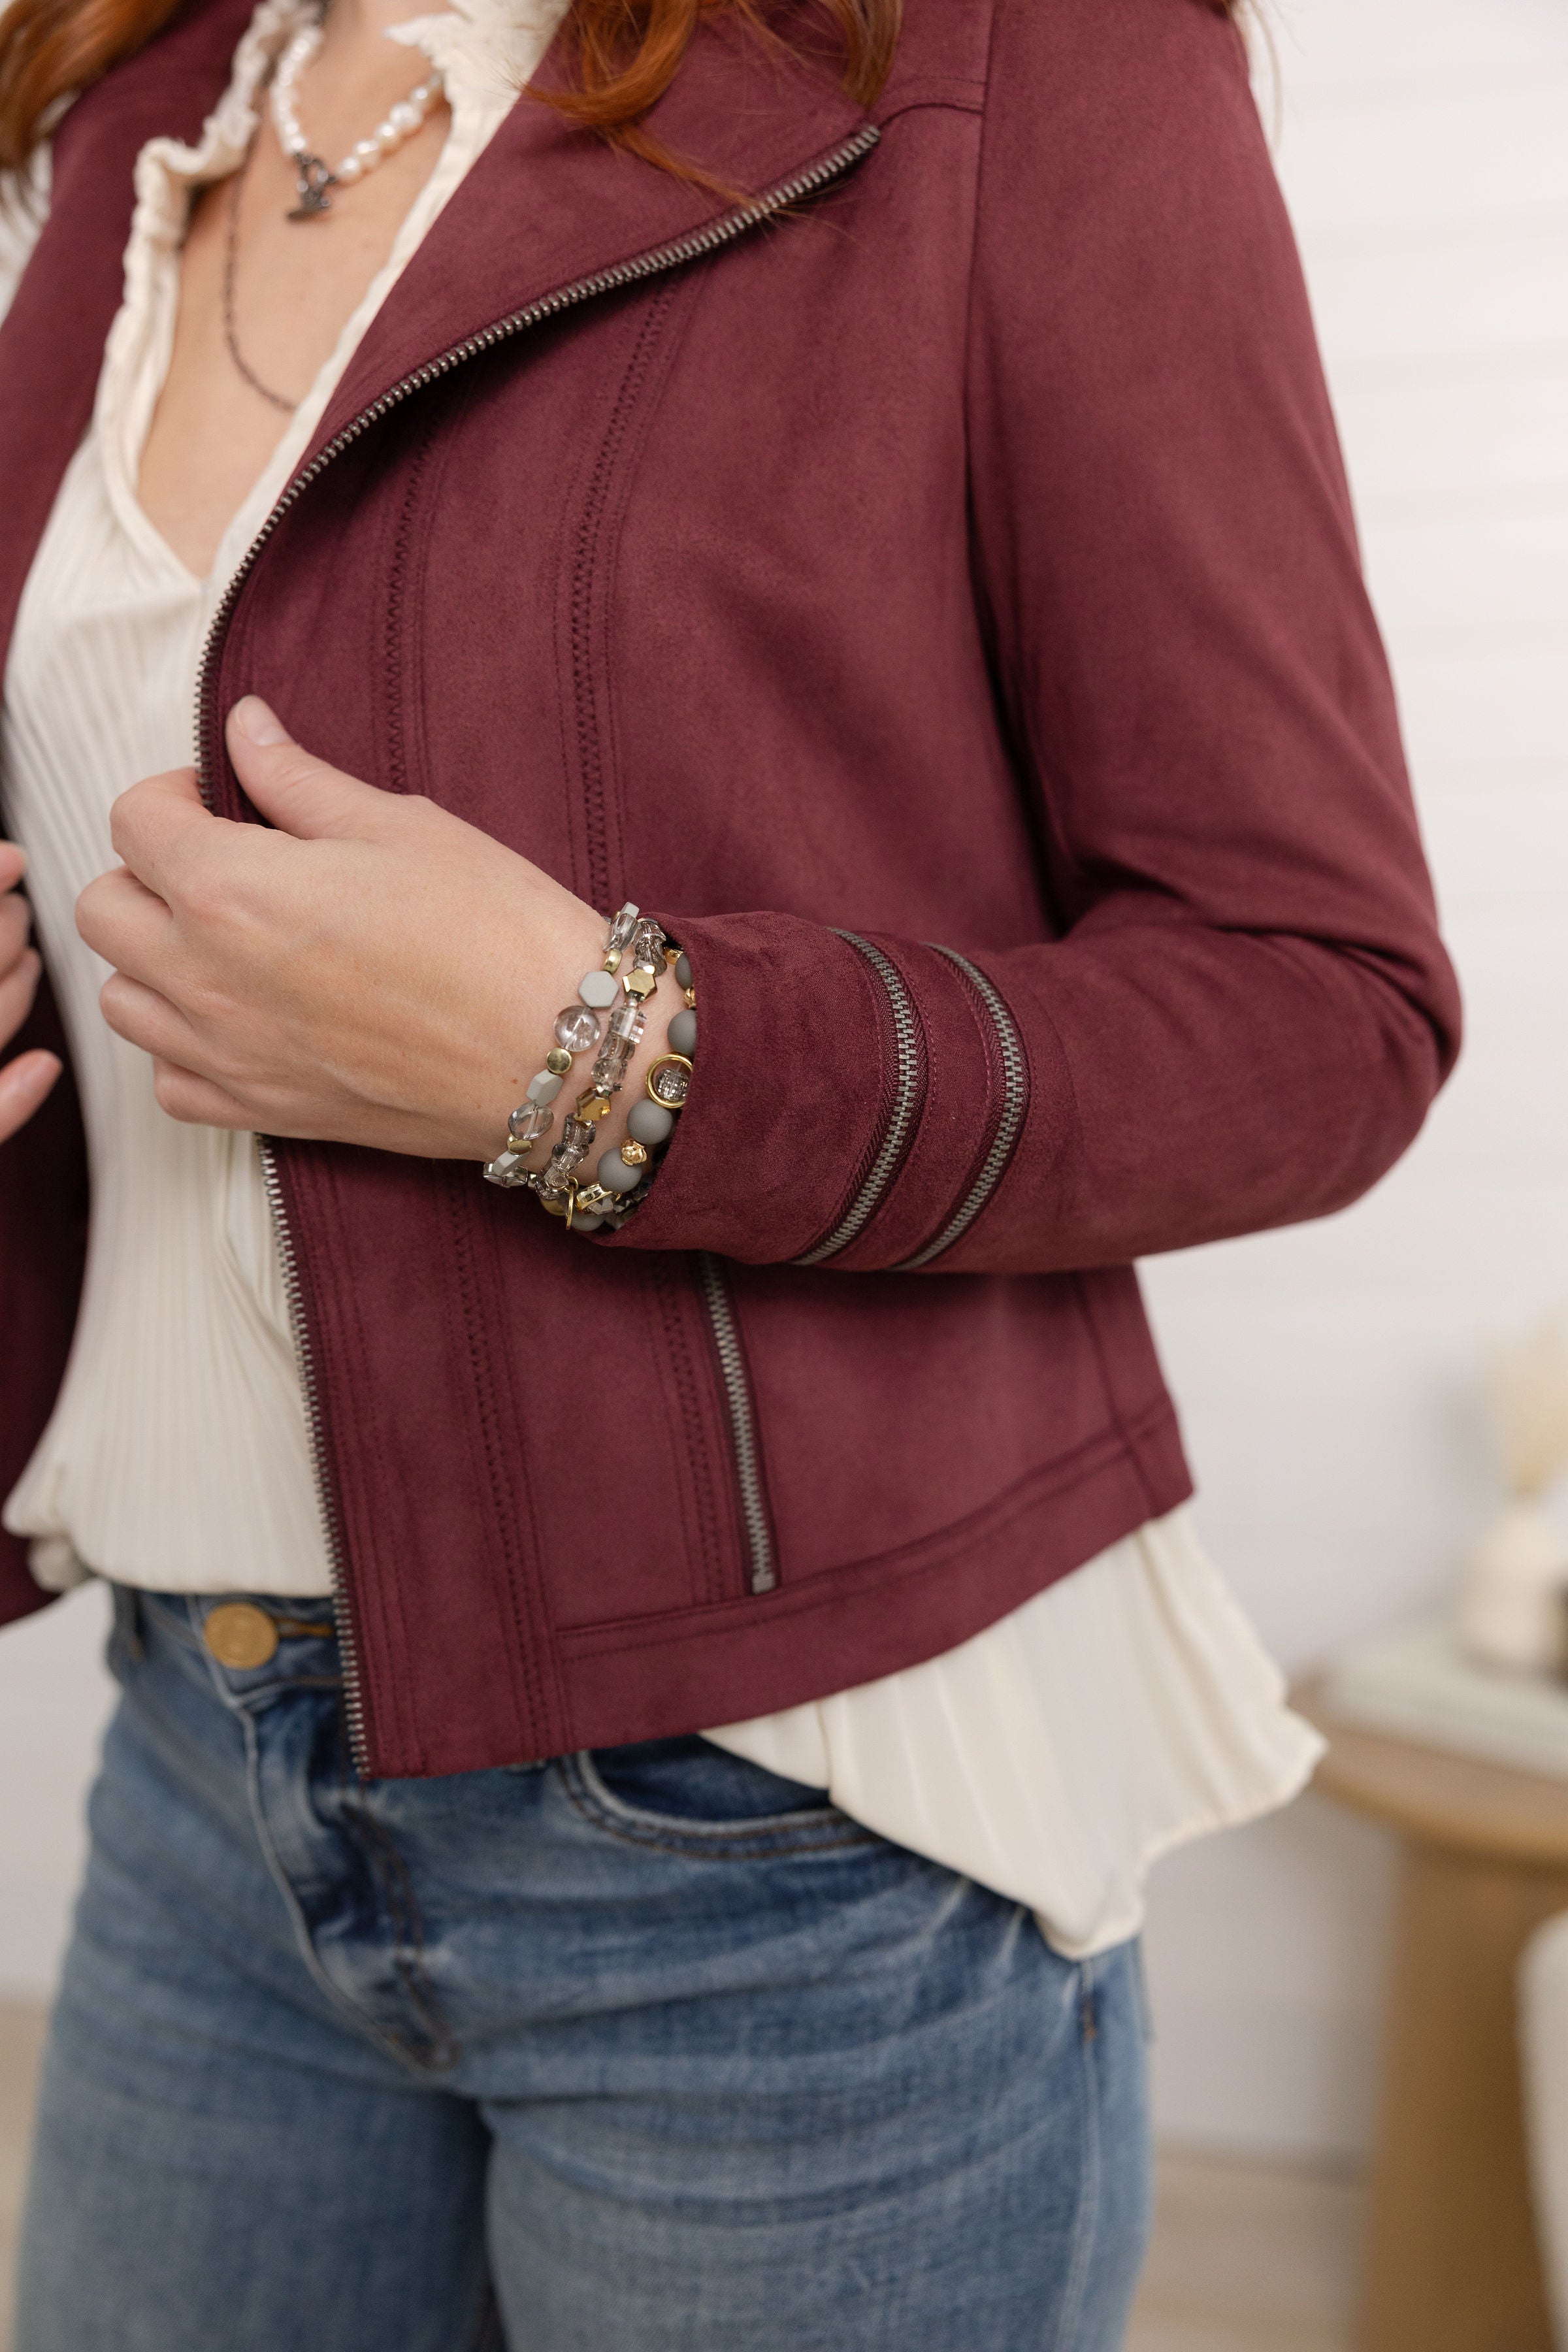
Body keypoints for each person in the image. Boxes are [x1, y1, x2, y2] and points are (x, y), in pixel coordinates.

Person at [0, 0, 1462, 2338]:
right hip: (205, 1768)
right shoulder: (138, 100)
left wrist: (610, 1056)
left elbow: (1319, 1006)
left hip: (799, 1837)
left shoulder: (1018, 53)